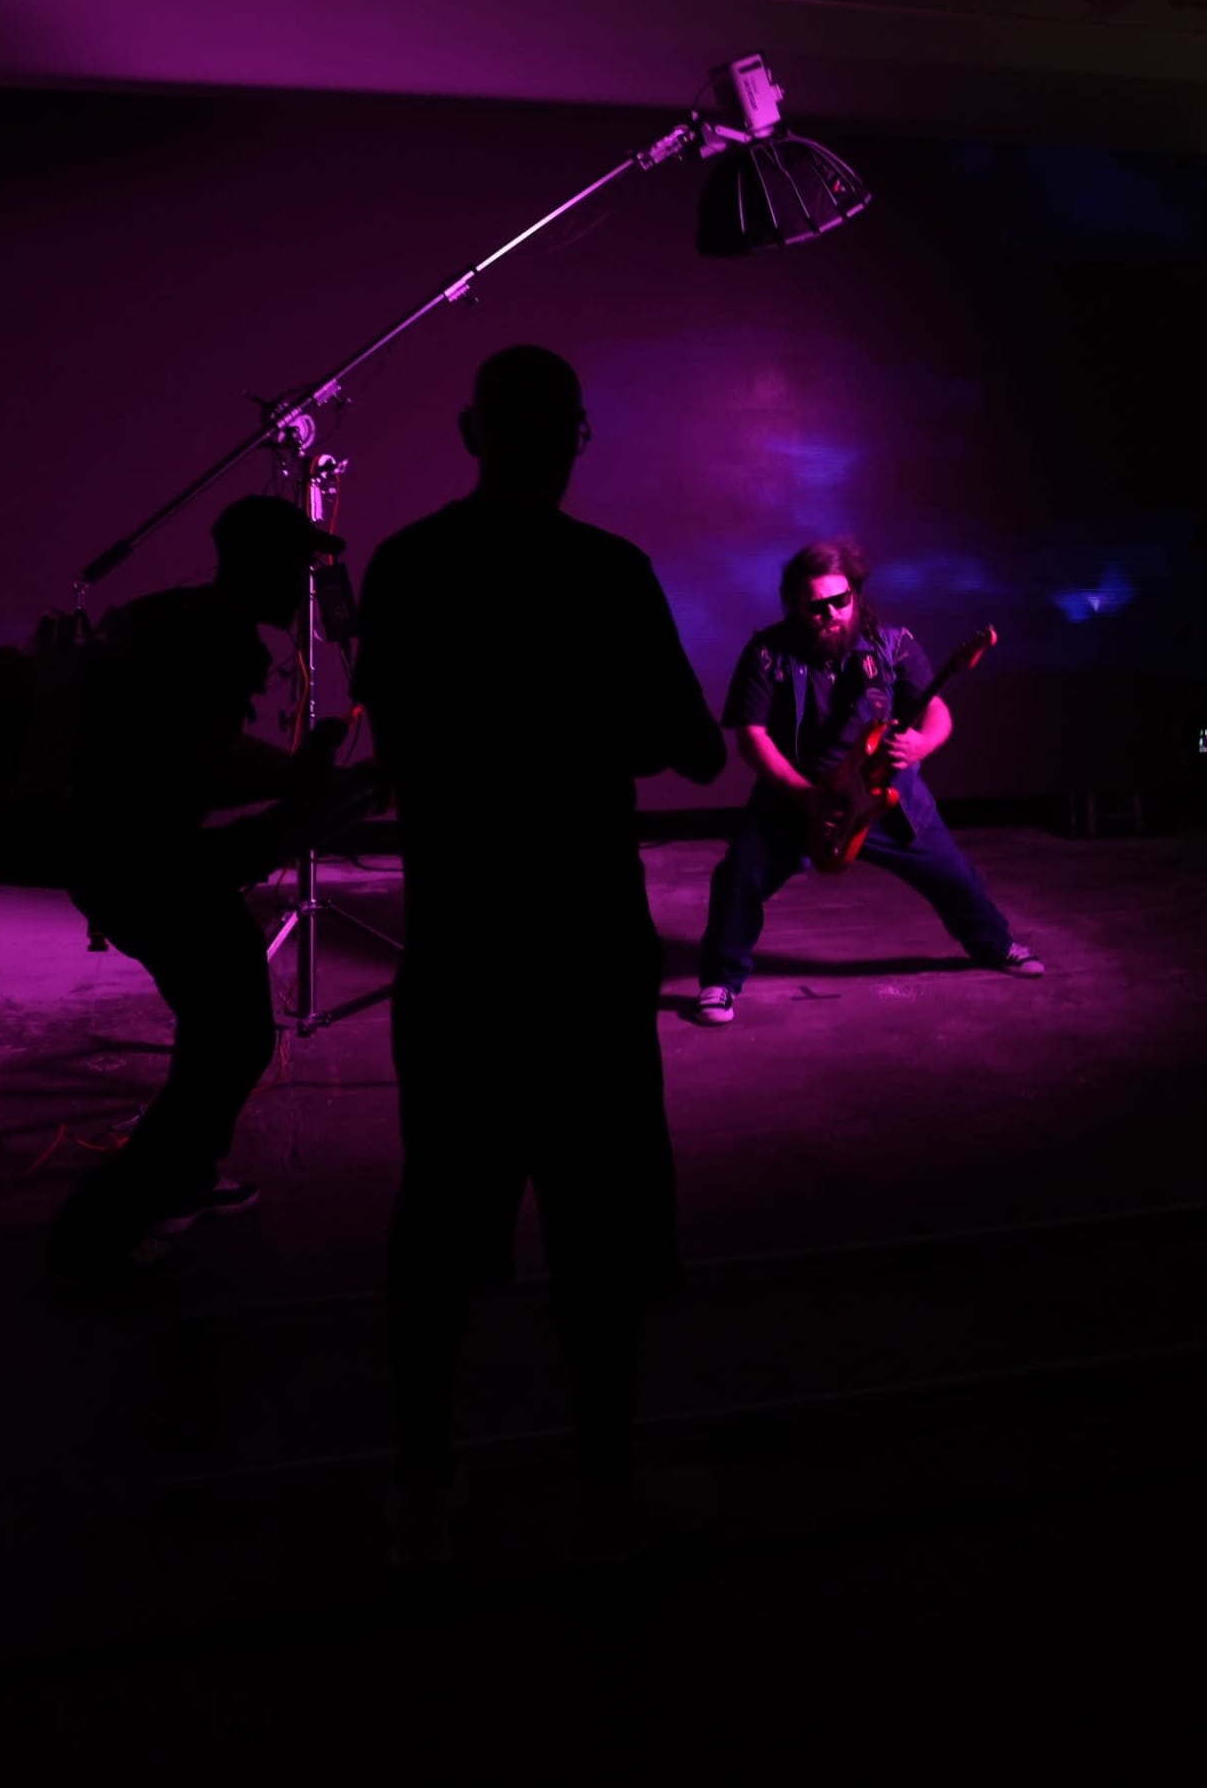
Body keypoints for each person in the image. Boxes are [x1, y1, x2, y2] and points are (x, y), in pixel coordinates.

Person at [350, 346, 725, 1563]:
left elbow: (401, 737)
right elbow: (693, 747)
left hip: (460, 939)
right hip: (584, 941)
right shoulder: (608, 573)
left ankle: (423, 1468)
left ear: (472, 429)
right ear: (575, 438)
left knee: (443, 1218)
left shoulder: (407, 569)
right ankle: (607, 1464)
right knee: (600, 1220)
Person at [46, 490, 357, 1280]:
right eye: (295, 566)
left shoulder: (170, 619)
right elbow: (194, 768)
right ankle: (105, 1223)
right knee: (236, 1034)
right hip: (143, 859)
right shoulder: (220, 643)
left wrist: (288, 782)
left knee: (218, 1022)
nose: (303, 587)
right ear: (265, 564)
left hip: (112, 854)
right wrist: (301, 786)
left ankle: (181, 1176)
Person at [692, 538, 1040, 1024]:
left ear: (855, 595)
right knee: (738, 877)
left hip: (885, 798)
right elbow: (751, 738)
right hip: (798, 795)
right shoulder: (767, 652)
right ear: (795, 603)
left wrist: (922, 744)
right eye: (816, 605)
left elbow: (936, 711)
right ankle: (720, 981)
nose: (830, 613)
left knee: (955, 878)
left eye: (840, 601)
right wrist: (803, 795)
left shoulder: (893, 643)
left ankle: (996, 946)